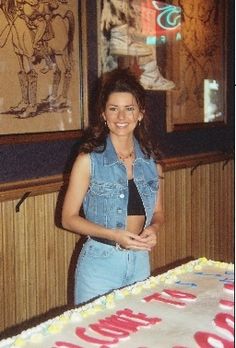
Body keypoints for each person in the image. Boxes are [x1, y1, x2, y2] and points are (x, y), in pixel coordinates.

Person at [62, 68, 164, 305]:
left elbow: (158, 213)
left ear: (140, 114)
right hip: (99, 265)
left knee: (136, 336)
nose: (121, 117)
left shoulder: (152, 163)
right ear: (103, 114)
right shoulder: (88, 161)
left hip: (140, 261)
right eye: (113, 108)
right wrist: (114, 235)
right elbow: (68, 218)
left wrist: (154, 229)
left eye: (129, 109)